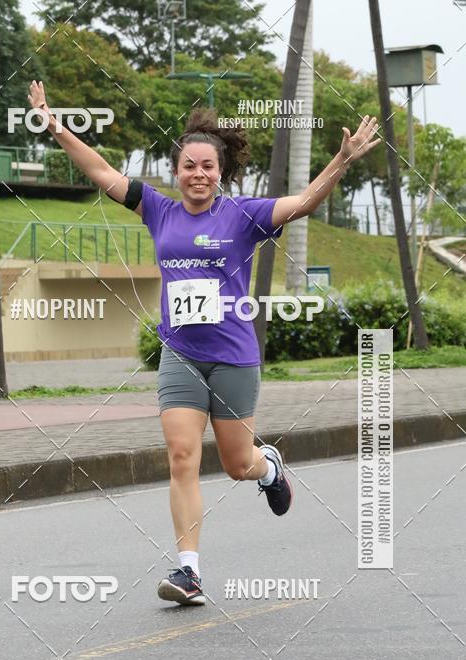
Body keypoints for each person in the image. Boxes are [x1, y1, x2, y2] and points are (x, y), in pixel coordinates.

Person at [27, 80, 381, 606]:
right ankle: (189, 571)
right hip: (181, 355)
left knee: (238, 465)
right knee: (182, 455)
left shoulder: (244, 216)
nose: (198, 174)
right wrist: (55, 126)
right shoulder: (158, 210)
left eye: (208, 166)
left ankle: (269, 467)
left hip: (234, 358)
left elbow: (305, 202)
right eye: (189, 165)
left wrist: (343, 159)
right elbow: (100, 171)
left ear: (221, 171)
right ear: (176, 171)